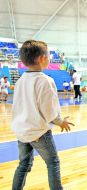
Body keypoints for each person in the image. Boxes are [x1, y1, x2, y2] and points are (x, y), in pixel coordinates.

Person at [11, 40, 74, 189]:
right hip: (39, 132)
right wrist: (60, 122)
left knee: (23, 165)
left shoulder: (20, 81)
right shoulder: (45, 81)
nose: (50, 58)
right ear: (42, 58)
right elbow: (49, 111)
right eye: (48, 55)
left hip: (22, 131)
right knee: (53, 163)